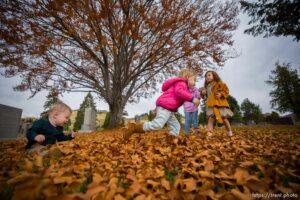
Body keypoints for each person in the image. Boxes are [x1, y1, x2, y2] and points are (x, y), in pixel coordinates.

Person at [123, 69, 200, 140]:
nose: (195, 83)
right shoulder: (181, 83)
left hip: (168, 109)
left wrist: (156, 109)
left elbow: (167, 97)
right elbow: (179, 92)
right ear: (187, 77)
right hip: (165, 107)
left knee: (176, 126)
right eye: (194, 80)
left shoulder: (183, 87)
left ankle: (170, 139)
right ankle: (134, 127)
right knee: (158, 124)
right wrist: (192, 99)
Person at [200, 71, 233, 137]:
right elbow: (205, 97)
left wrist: (221, 94)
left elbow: (226, 90)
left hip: (219, 104)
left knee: (224, 119)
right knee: (211, 119)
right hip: (211, 105)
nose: (207, 77)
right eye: (206, 76)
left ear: (214, 76)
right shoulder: (206, 87)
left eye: (209, 75)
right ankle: (209, 134)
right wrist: (203, 93)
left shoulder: (219, 84)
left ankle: (229, 132)